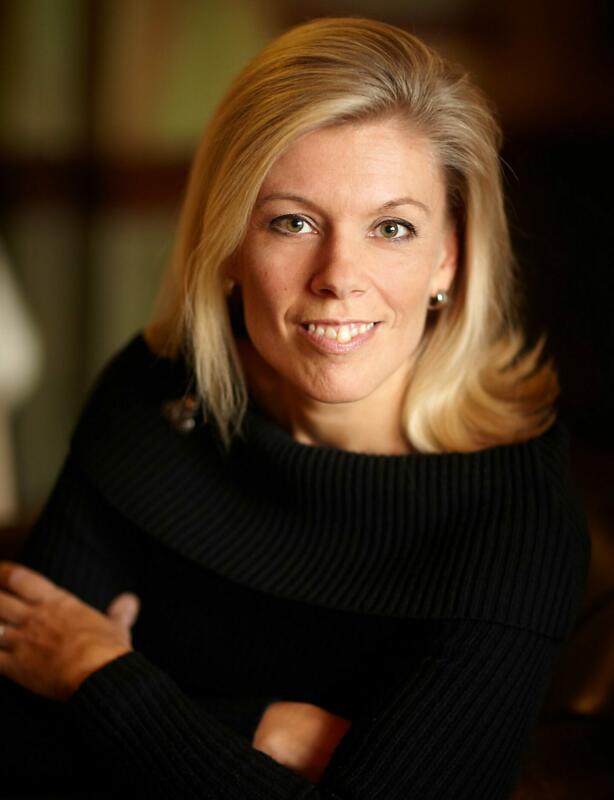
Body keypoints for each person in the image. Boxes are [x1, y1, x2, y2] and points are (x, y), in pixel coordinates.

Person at [0, 16, 590, 800]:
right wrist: (262, 728)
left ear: (448, 256)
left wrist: (95, 673)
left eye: (392, 228)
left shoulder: (515, 516)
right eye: (293, 222)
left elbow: (62, 686)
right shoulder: (157, 395)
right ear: (228, 241)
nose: (339, 275)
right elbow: (12, 721)